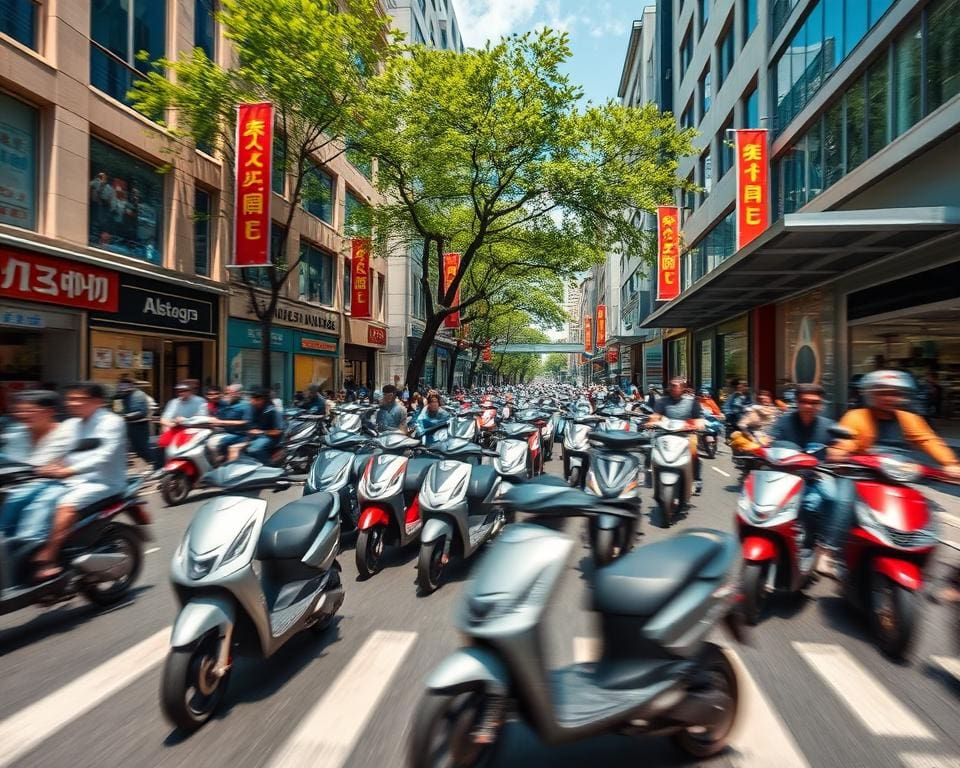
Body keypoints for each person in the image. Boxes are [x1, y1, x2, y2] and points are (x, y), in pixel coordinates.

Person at [821, 370, 960, 576]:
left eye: (895, 393)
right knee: (843, 501)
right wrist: (840, 450)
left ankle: (919, 552)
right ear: (870, 394)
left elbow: (929, 440)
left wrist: (950, 463)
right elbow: (847, 438)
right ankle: (828, 551)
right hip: (861, 473)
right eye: (882, 392)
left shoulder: (909, 419)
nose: (889, 397)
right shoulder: (856, 416)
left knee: (924, 508)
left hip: (897, 474)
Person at [30, 383, 127, 581]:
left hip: (103, 482)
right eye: (70, 399)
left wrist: (69, 470)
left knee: (65, 506)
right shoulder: (71, 425)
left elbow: (104, 456)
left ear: (97, 401)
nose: (72, 403)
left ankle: (48, 558)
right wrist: (36, 466)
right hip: (73, 480)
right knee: (36, 498)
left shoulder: (112, 422)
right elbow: (52, 449)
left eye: (78, 399)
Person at [766, 384, 838, 567]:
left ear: (821, 404)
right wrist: (757, 443)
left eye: (814, 402)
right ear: (797, 402)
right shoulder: (784, 421)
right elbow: (767, 439)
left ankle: (821, 544)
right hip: (788, 476)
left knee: (830, 498)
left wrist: (839, 452)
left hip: (818, 475)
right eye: (804, 401)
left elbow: (840, 447)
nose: (809, 406)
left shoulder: (828, 425)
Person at [0, 391, 73, 546]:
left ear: (50, 412)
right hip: (19, 484)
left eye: (29, 411)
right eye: (19, 411)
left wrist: (59, 468)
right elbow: (10, 461)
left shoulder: (67, 433)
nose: (22, 415)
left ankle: (32, 550)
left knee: (34, 510)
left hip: (58, 485)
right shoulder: (16, 432)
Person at [650, 377, 705, 495]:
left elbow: (699, 418)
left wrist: (699, 425)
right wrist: (651, 422)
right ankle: (651, 475)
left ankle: (696, 480)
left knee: (694, 450)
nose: (675, 388)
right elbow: (655, 416)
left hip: (686, 435)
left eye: (677, 386)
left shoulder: (692, 401)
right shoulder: (662, 401)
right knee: (651, 448)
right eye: (672, 386)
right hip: (665, 434)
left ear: (683, 388)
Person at [113, 376, 155, 469]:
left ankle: (153, 465)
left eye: (123, 386)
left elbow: (142, 412)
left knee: (142, 448)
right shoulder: (124, 395)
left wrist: (125, 416)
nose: (121, 388)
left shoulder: (138, 395)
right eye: (120, 386)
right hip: (128, 424)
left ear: (130, 385)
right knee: (131, 448)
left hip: (139, 425)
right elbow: (118, 408)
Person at [243, 386, 284, 464]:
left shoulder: (273, 411)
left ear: (262, 400)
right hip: (259, 437)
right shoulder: (254, 409)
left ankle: (268, 467)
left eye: (255, 399)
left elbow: (278, 431)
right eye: (251, 399)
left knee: (254, 448)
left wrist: (261, 432)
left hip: (273, 438)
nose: (252, 402)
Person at [211, 384, 252, 462]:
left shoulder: (245, 405)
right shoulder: (226, 404)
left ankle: (229, 465)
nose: (227, 395)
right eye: (226, 393)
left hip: (242, 434)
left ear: (239, 394)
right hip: (227, 432)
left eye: (230, 393)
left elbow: (246, 422)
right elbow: (218, 418)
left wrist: (223, 422)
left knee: (221, 443)